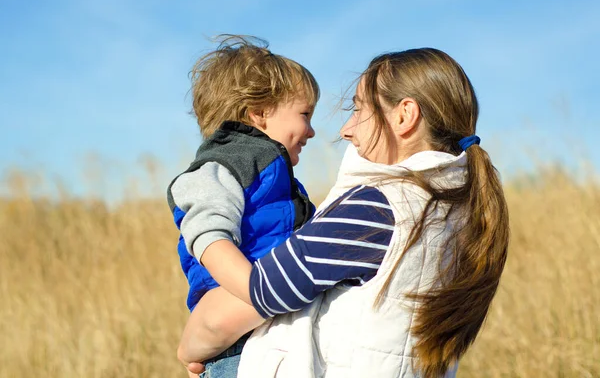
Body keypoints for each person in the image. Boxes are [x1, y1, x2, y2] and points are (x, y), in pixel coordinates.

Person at [178, 47, 509, 378]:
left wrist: (191, 348)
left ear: (404, 115)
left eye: (358, 108)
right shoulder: (455, 216)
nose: (345, 130)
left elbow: (262, 291)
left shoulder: (379, 209)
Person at [167, 35, 319, 378]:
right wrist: (260, 289)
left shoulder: (274, 176)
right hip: (241, 338)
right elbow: (209, 237)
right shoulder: (222, 168)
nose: (311, 131)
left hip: (272, 327)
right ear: (259, 113)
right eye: (305, 114)